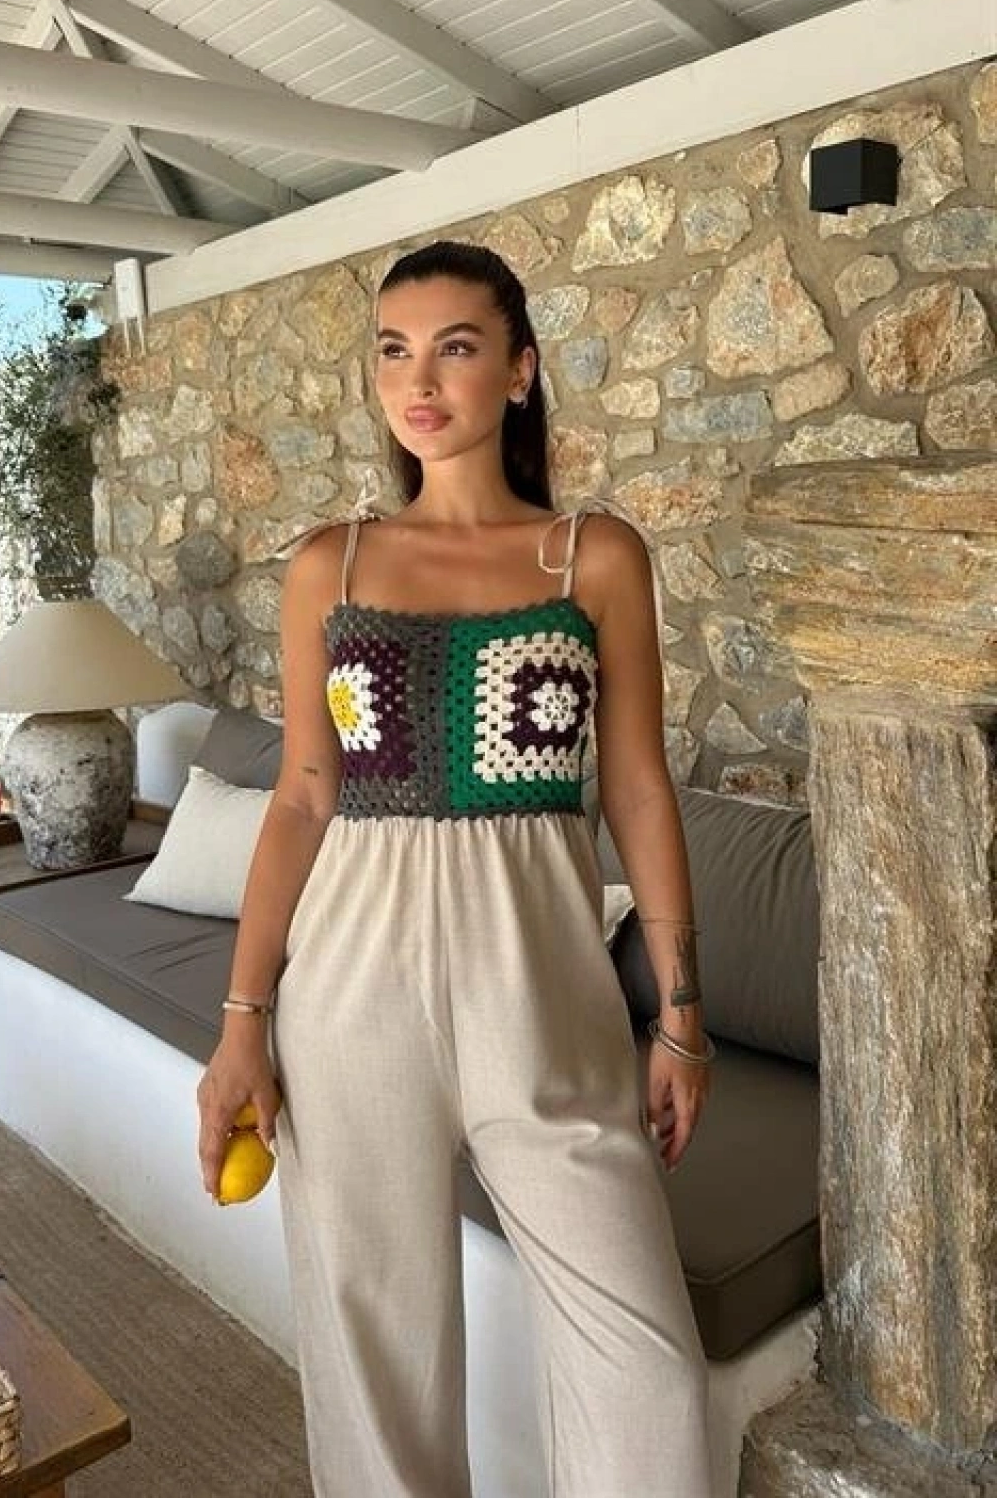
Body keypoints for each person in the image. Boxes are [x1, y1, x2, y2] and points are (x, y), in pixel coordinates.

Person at [197, 240, 716, 1497]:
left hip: (541, 996)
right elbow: (303, 796)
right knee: (374, 1354)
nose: (418, 382)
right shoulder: (331, 564)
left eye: (456, 348)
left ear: (520, 370)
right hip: (348, 994)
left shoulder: (593, 556)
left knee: (647, 1369)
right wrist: (242, 1021)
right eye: (393, 351)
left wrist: (681, 1013)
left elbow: (637, 789)